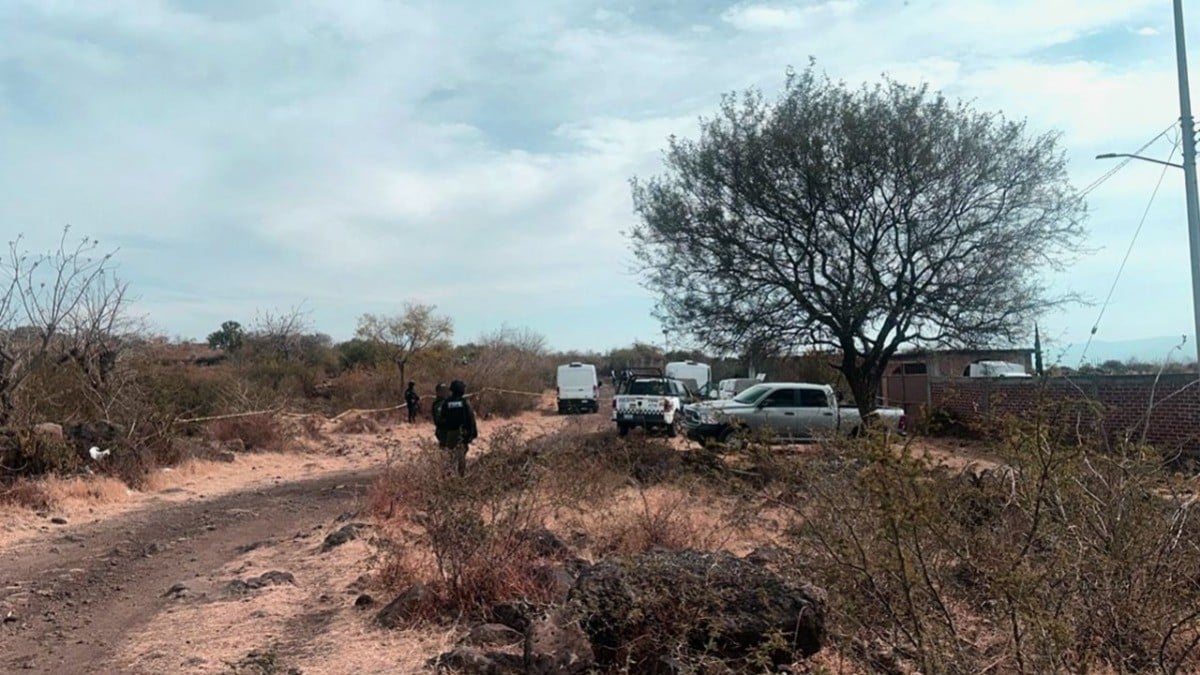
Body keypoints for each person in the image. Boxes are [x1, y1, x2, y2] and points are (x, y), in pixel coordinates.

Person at [436, 379, 477, 477]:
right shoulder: (464, 402)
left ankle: (448, 475)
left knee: (451, 456)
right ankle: (461, 477)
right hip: (463, 433)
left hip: (450, 433)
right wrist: (473, 433)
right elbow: (471, 418)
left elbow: (441, 420)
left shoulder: (446, 403)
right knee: (461, 455)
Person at [430, 382, 449, 447]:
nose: (444, 392)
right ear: (438, 392)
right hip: (443, 431)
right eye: (442, 390)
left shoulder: (448, 401)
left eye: (445, 390)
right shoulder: (438, 404)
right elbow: (438, 418)